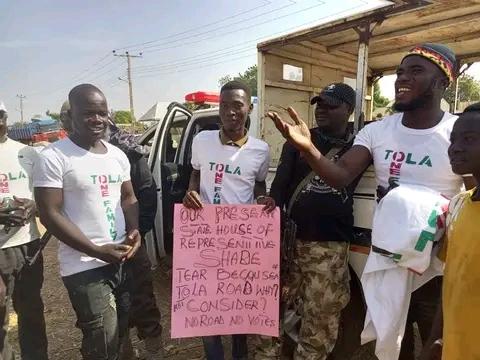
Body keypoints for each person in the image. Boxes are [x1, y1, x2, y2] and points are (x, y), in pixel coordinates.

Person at [267, 43, 474, 359]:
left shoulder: (457, 132)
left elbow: (474, 193)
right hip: (388, 263)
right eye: (400, 72)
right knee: (391, 346)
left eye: (416, 70)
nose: (402, 78)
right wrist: (308, 149)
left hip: (439, 268)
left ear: (443, 81)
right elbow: (339, 176)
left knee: (439, 343)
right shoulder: (377, 131)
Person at [33, 84, 141, 360]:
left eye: (102, 113)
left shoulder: (117, 155)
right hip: (84, 266)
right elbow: (50, 214)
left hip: (121, 258)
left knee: (121, 331)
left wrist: (134, 230)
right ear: (72, 115)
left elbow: (128, 198)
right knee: (102, 338)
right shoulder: (54, 157)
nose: (97, 119)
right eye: (88, 113)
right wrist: (96, 250)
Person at [256, 83, 357, 360]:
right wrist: (270, 206)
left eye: (331, 105)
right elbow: (279, 187)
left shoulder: (359, 144)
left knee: (320, 319)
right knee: (269, 309)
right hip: (291, 243)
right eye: (319, 104)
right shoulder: (297, 138)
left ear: (349, 110)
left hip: (329, 248)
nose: (321, 110)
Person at [183, 80, 276, 360]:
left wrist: (263, 200)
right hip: (206, 236)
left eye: (237, 105)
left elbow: (259, 186)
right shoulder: (201, 141)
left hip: (241, 241)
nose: (230, 112)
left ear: (249, 107)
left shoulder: (260, 150)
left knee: (238, 306)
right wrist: (190, 193)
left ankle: (239, 355)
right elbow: (196, 176)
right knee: (206, 304)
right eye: (224, 105)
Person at [420, 102, 480, 360]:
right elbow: (452, 284)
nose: (455, 148)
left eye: (469, 139)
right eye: (453, 139)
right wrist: (435, 339)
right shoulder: (458, 205)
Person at [107, 121, 163, 360]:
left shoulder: (126, 150)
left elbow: (147, 193)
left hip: (131, 242)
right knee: (111, 309)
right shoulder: (67, 156)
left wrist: (138, 233)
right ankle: (124, 351)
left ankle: (155, 352)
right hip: (91, 251)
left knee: (143, 300)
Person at [0, 101, 49, 360]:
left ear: (6, 117)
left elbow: (48, 201)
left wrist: (35, 206)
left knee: (31, 313)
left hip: (27, 245)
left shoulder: (29, 155)